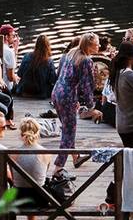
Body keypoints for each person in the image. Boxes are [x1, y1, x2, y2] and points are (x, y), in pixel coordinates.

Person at [51, 33, 102, 174]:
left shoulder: (71, 53)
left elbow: (61, 73)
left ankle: (75, 157)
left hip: (57, 92)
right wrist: (91, 107)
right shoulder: (86, 61)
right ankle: (58, 168)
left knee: (67, 128)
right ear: (89, 45)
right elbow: (87, 86)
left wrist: (76, 99)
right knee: (68, 132)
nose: (99, 46)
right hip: (67, 97)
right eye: (97, 43)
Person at [12, 117, 53, 212]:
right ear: (38, 133)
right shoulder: (46, 152)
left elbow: (14, 177)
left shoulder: (13, 153)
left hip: (18, 198)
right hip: (40, 198)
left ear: (21, 133)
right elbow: (43, 174)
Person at [0, 24, 20, 92]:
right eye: (13, 36)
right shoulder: (9, 52)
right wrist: (17, 79)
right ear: (6, 37)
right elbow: (10, 78)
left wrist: (15, 50)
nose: (15, 38)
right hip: (7, 88)